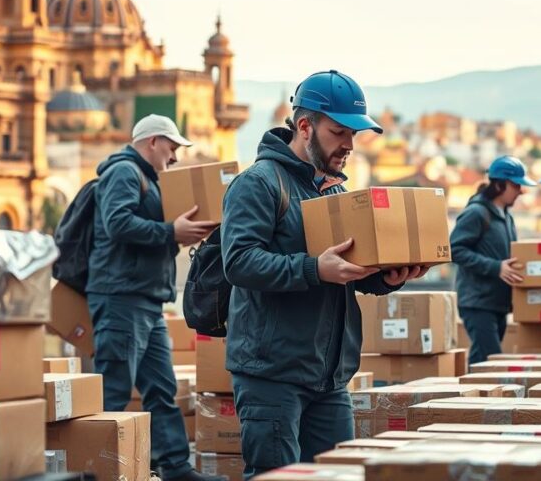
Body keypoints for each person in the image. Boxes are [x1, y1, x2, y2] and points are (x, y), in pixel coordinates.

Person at [221, 70, 430, 479]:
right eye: (339, 132)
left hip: (328, 376)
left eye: (354, 134)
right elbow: (240, 262)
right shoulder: (258, 184)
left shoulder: (333, 191)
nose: (349, 145)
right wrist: (314, 268)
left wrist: (387, 277)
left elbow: (348, 270)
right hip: (272, 376)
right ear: (304, 126)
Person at [86, 114, 224, 481]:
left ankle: (176, 468)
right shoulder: (124, 173)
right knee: (113, 392)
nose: (175, 157)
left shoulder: (146, 178)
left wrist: (177, 232)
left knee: (162, 390)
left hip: (144, 301)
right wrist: (171, 231)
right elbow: (117, 223)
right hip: (121, 298)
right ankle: (96, 472)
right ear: (152, 142)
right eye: (172, 147)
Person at [452, 155, 537, 364]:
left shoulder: (506, 217)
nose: (521, 191)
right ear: (500, 185)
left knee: (482, 360)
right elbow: (454, 249)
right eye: (516, 186)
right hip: (478, 302)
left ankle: (469, 395)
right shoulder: (477, 213)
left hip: (497, 303)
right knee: (491, 360)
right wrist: (495, 267)